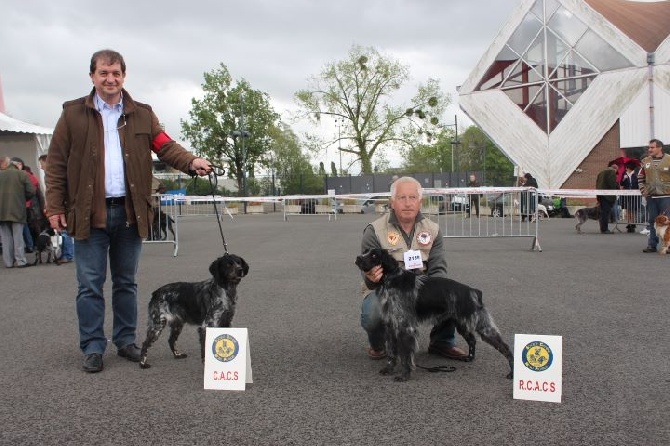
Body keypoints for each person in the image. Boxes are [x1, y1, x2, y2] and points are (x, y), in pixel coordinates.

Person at [45, 49, 213, 373]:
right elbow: (55, 164)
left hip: (129, 213)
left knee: (126, 282)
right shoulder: (71, 115)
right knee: (90, 285)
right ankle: (93, 347)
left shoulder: (142, 114)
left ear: (124, 76)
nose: (110, 79)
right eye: (103, 73)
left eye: (116, 73)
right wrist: (54, 206)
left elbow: (166, 145)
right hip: (88, 215)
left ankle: (125, 342)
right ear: (92, 76)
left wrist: (191, 161)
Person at [359, 176, 467, 361]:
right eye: (402, 198)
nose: (408, 203)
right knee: (373, 313)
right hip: (385, 289)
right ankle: (379, 344)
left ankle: (442, 341)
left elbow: (438, 267)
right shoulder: (374, 231)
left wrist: (439, 291)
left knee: (450, 294)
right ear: (392, 202)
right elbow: (367, 271)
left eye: (412, 198)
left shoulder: (433, 229)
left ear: (420, 202)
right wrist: (371, 278)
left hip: (421, 288)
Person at [0, 156, 35, 268]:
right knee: (18, 236)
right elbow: (31, 191)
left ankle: (8, 262)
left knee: (6, 238)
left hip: (2, 211)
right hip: (17, 209)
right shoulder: (22, 174)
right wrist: (23, 199)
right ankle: (20, 261)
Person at [39, 154, 74, 262]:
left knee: (64, 231)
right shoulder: (53, 173)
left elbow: (54, 192)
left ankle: (67, 255)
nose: (40, 167)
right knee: (63, 232)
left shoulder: (53, 174)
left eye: (41, 164)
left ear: (47, 161)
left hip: (62, 206)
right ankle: (66, 254)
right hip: (59, 205)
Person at [638, 139, 670, 253]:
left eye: (652, 147)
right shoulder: (645, 161)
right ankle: (652, 245)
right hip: (651, 197)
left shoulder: (669, 160)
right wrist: (643, 190)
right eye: (649, 147)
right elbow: (640, 177)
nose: (649, 149)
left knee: (668, 221)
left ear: (660, 148)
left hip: (666, 196)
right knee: (652, 221)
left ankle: (668, 245)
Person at [9, 158, 41, 254]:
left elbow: (33, 189)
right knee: (25, 226)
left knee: (26, 226)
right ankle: (31, 245)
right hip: (24, 204)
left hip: (28, 205)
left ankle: (31, 245)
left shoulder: (25, 174)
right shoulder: (23, 174)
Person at [595, 164, 618, 234]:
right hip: (607, 196)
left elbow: (597, 183)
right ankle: (605, 229)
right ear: (615, 169)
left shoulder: (601, 172)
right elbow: (612, 184)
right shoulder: (612, 172)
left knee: (602, 212)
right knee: (606, 212)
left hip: (600, 195)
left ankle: (603, 228)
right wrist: (617, 186)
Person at [620, 160, 640, 233]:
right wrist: (624, 179)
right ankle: (629, 223)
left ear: (630, 168)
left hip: (634, 194)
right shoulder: (624, 174)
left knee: (633, 209)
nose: (626, 168)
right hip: (627, 194)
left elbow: (638, 183)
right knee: (628, 209)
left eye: (627, 167)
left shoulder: (636, 174)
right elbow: (621, 183)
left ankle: (633, 223)